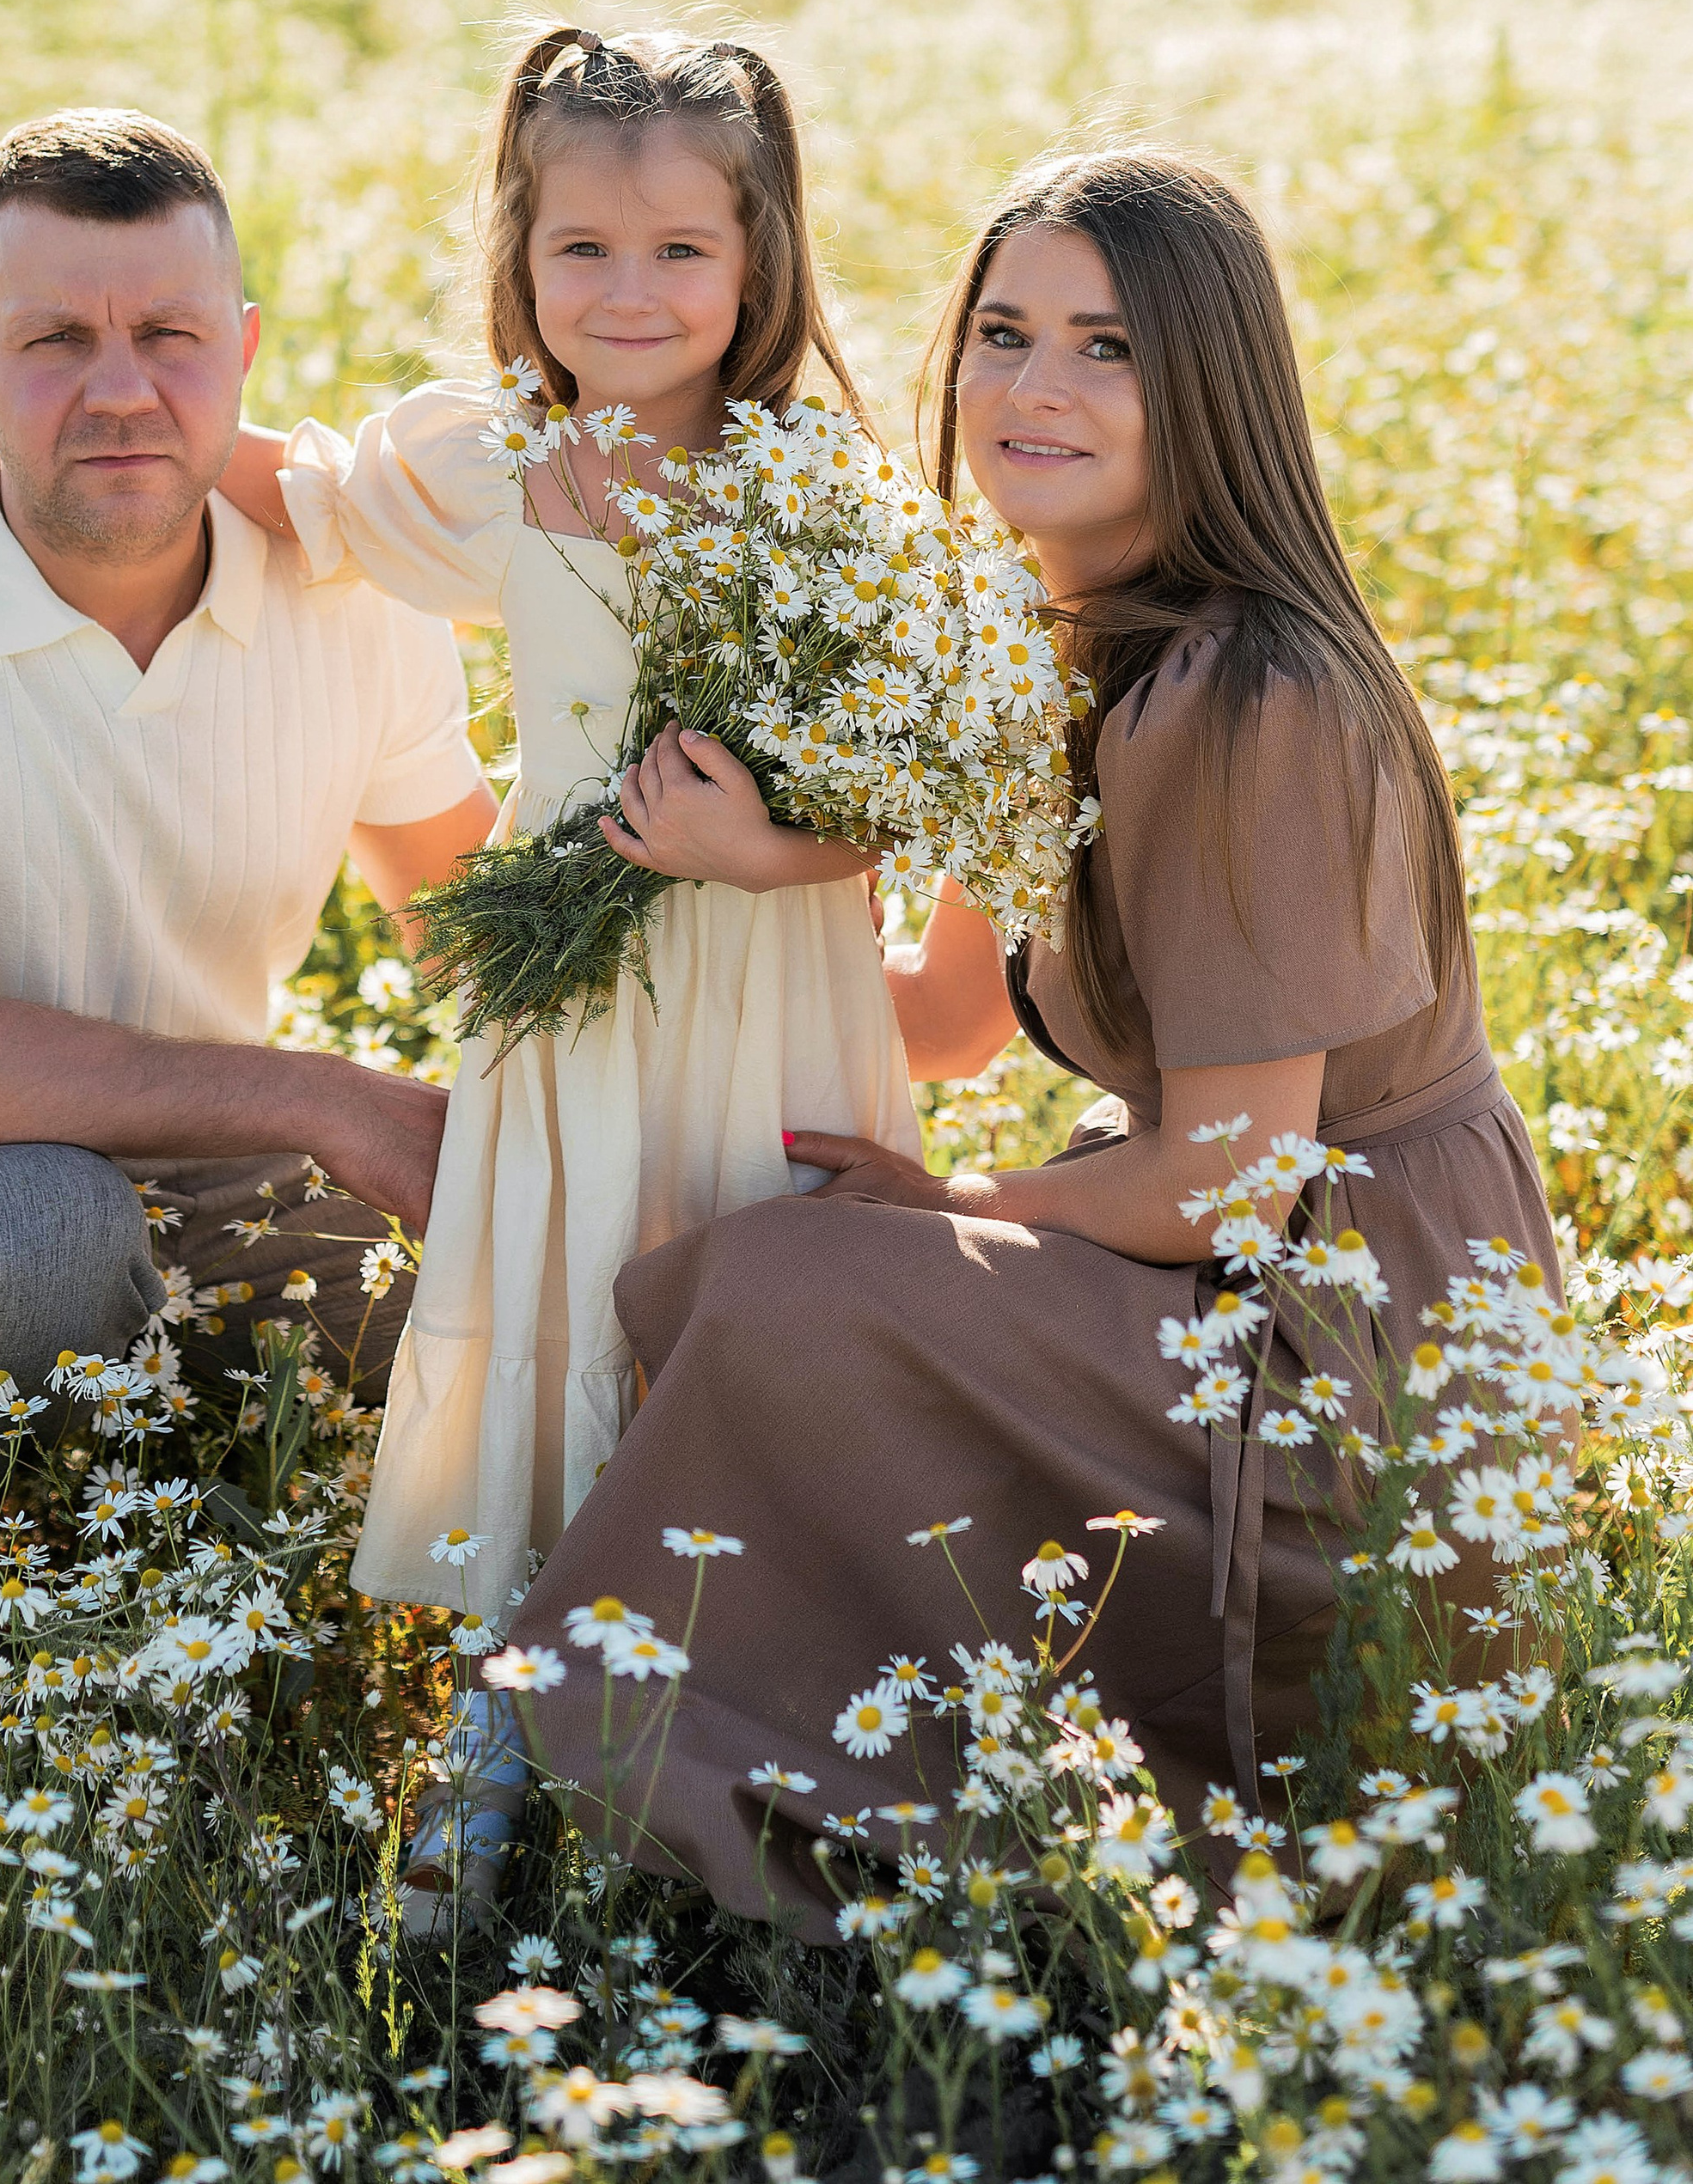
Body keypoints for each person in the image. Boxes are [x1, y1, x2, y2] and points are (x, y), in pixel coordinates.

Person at [501, 145, 1557, 1938]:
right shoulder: (1047, 641)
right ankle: (720, 1765)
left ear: (1207, 387)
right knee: (746, 1269)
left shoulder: (1243, 695)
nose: (1032, 389)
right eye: (1000, 333)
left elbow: (1232, 1178)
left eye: (1107, 349)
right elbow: (940, 1016)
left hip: (1343, 1340)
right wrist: (759, 860)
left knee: (786, 1292)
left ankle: (623, 1775)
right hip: (1229, 1257)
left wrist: (941, 1212)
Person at [219, 27, 918, 1907]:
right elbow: (300, 499)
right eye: (576, 250)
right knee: (559, 1301)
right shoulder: (496, 460)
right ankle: (504, 1715)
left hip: (765, 977)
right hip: (573, 992)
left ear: (759, 259)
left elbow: (878, 794)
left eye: (679, 250)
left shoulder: (814, 489)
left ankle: (729, 1714)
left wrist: (746, 843)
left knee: (737, 1296)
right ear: (517, 255)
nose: (626, 293)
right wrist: (129, 391)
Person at [0, 107, 497, 1501]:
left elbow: (480, 947)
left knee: (550, 1299)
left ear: (243, 352)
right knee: (47, 1237)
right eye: (55, 340)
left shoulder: (352, 590)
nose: (121, 389)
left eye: (170, 337)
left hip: (211, 1168)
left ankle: (173, 1533)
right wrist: (323, 1099)